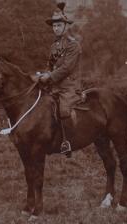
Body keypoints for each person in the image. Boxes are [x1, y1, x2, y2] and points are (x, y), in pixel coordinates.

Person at [35, 3, 82, 156]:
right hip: (54, 86)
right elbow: (50, 65)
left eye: (59, 25)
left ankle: (67, 142)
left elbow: (67, 68)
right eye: (54, 25)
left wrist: (50, 76)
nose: (56, 28)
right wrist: (44, 74)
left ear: (66, 26)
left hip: (69, 86)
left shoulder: (73, 45)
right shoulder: (54, 45)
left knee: (63, 110)